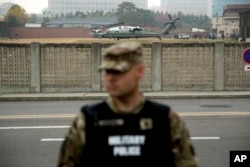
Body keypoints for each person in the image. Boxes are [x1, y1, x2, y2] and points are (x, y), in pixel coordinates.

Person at [57, 42, 198, 167]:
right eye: (107, 71)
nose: (110, 78)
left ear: (140, 71)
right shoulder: (87, 120)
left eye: (119, 71)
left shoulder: (165, 119)